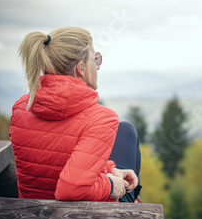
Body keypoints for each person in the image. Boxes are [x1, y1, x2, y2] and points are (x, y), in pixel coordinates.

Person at [9, 27, 141, 202]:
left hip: (30, 217)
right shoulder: (102, 118)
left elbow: (56, 161)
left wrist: (109, 169)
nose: (98, 65)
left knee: (124, 134)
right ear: (81, 69)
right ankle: (135, 201)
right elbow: (70, 189)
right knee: (127, 131)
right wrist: (109, 184)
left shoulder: (21, 108)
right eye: (96, 59)